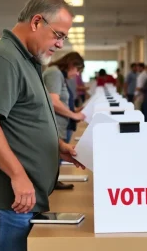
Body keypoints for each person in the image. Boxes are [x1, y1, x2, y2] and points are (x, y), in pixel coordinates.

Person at [0, 0, 85, 251]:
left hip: (15, 201)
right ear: (37, 22)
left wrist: (56, 144)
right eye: (58, 35)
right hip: (1, 200)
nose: (61, 45)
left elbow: (20, 119)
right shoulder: (2, 59)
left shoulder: (26, 60)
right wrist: (18, 176)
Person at [43, 52, 86, 190]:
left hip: (59, 126)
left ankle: (53, 182)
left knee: (55, 159)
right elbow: (53, 101)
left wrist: (75, 110)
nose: (77, 74)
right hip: (53, 126)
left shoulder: (58, 75)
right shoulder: (54, 73)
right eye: (77, 70)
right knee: (50, 159)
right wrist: (74, 116)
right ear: (71, 64)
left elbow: (61, 101)